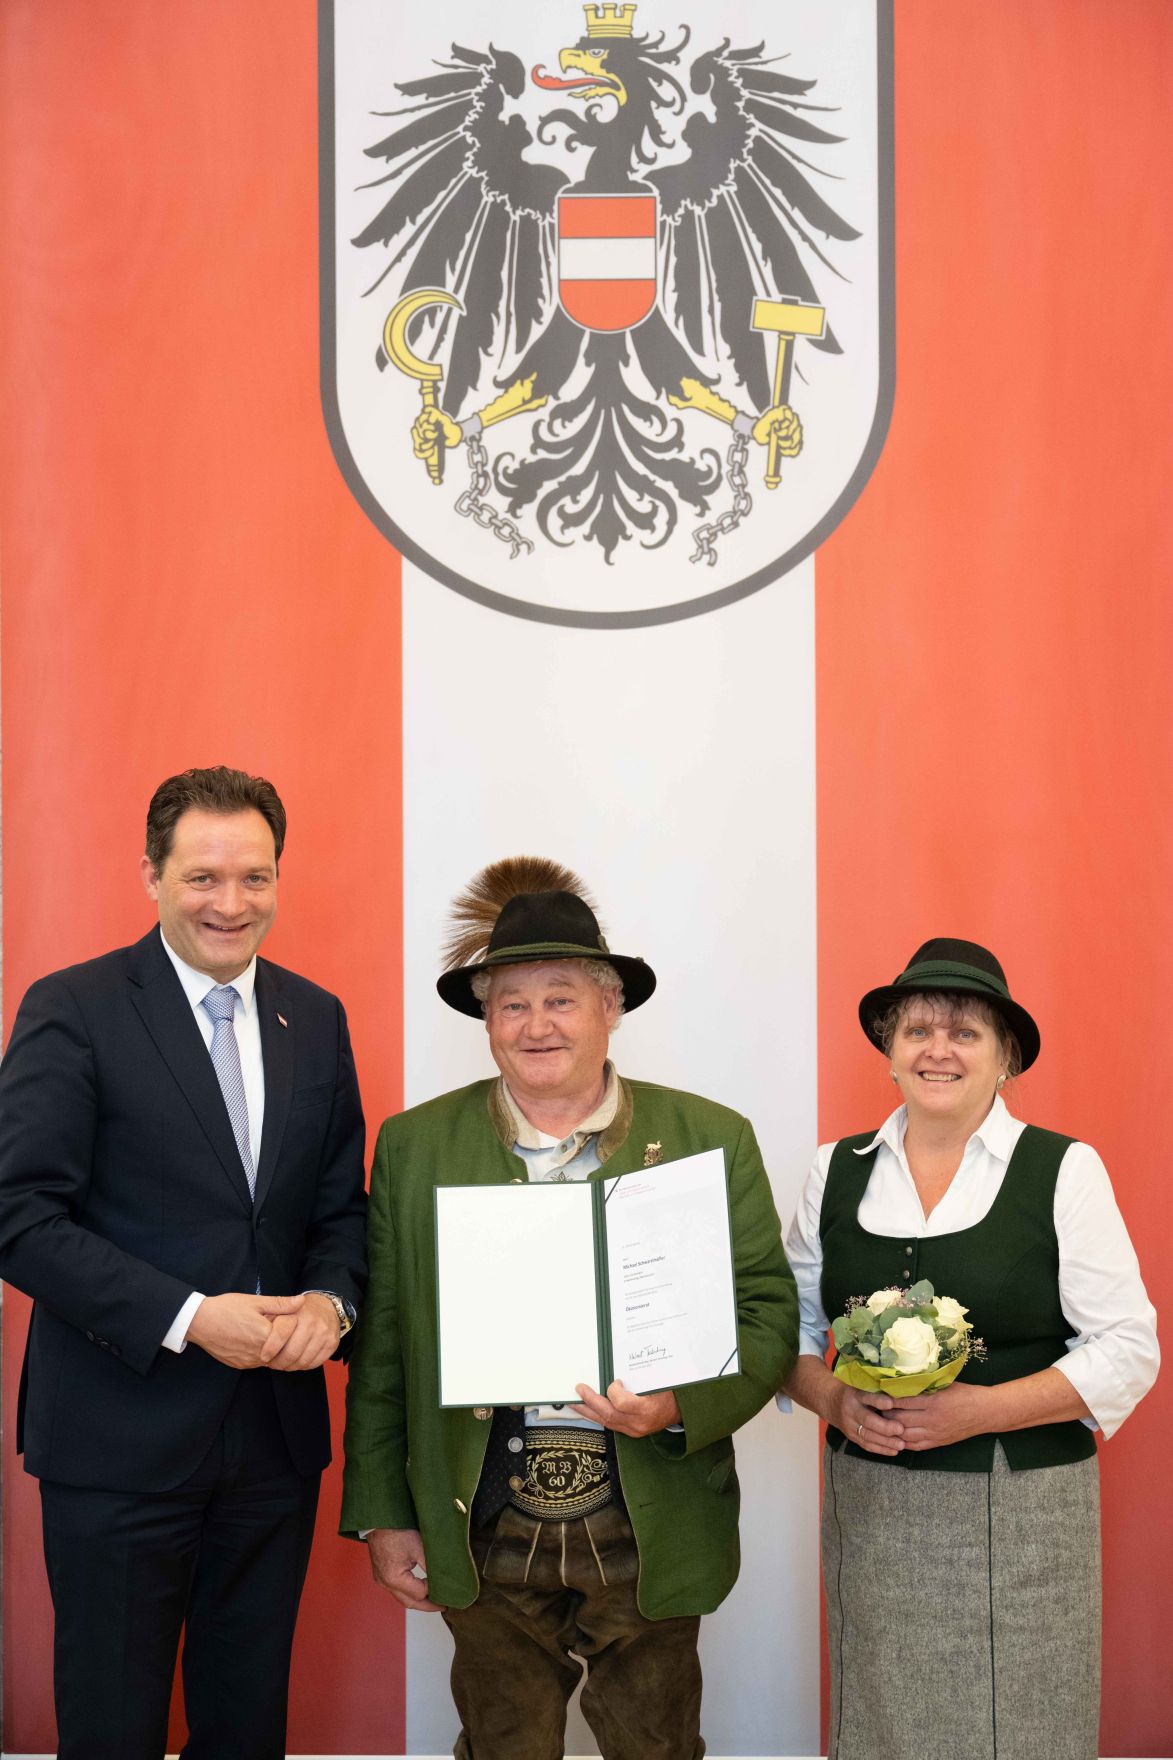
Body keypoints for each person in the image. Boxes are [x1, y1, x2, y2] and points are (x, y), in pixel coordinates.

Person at [341, 856, 797, 1760]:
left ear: (608, 1009)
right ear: (486, 1019)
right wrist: (383, 1511)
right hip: (481, 1502)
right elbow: (385, 1346)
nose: (535, 1025)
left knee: (655, 1745)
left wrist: (678, 1407)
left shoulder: (708, 1137)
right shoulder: (415, 1146)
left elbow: (768, 1315)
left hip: (650, 1499)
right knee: (503, 1744)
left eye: (559, 999)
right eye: (511, 1004)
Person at [0, 765, 367, 1760]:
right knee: (112, 1727)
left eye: (255, 876)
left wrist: (333, 1303)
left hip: (271, 1448)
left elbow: (340, 1210)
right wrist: (190, 1313)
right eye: (204, 876)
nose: (231, 902)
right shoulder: (73, 1008)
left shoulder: (315, 1017)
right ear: (151, 875)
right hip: (118, 1442)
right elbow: (18, 1213)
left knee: (246, 1728)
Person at [782, 937, 1159, 1760]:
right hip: (873, 1507)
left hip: (1021, 1509)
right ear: (888, 1053)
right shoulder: (832, 1171)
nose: (938, 1050)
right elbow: (792, 1334)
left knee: (1022, 1713)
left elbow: (1128, 1345)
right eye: (917, 1030)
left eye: (965, 1033)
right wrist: (834, 1399)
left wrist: (982, 1410)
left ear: (1004, 1060)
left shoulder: (1062, 1169)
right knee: (881, 1711)